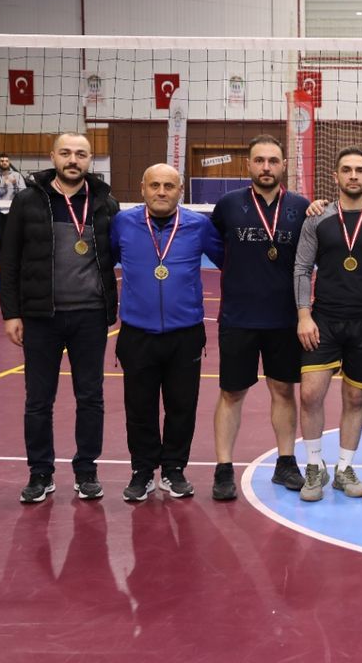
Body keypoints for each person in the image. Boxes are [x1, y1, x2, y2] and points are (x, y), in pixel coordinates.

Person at [1, 132, 119, 504]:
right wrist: (11, 313)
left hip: (90, 315)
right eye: (66, 153)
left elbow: (118, 253)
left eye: (80, 154)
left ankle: (86, 471)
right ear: (52, 156)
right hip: (41, 316)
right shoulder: (28, 200)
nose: (73, 160)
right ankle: (40, 473)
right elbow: (10, 260)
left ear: (90, 159)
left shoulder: (104, 202)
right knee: (38, 400)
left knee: (91, 397)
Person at [293, 147, 362, 502]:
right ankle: (314, 466)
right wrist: (304, 315)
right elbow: (301, 269)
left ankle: (344, 468)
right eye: (346, 169)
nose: (353, 175)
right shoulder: (317, 218)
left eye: (359, 170)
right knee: (310, 394)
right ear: (336, 176)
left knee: (355, 398)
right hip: (324, 320)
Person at [111, 163, 223, 502]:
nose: (161, 191)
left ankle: (174, 469)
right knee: (139, 407)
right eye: (155, 185)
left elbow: (229, 261)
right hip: (137, 333)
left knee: (182, 406)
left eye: (169, 186)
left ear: (180, 191)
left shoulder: (198, 225)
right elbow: (106, 260)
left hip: (185, 333)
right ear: (142, 188)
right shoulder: (123, 222)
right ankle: (142, 470)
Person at [208, 134, 311, 500]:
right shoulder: (228, 205)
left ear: (284, 165)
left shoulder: (301, 207)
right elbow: (216, 248)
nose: (266, 167)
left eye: (273, 161)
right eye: (259, 160)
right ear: (248, 164)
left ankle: (286, 463)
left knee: (283, 390)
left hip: (285, 318)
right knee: (231, 393)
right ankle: (223, 469)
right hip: (238, 317)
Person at [0, 153, 25, 252]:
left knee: (15, 237)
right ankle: (3, 258)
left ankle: (16, 257)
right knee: (1, 237)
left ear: (9, 162)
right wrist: (4, 186)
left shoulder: (17, 175)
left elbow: (23, 194)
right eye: (2, 161)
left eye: (6, 161)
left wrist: (15, 185)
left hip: (14, 210)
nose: (4, 163)